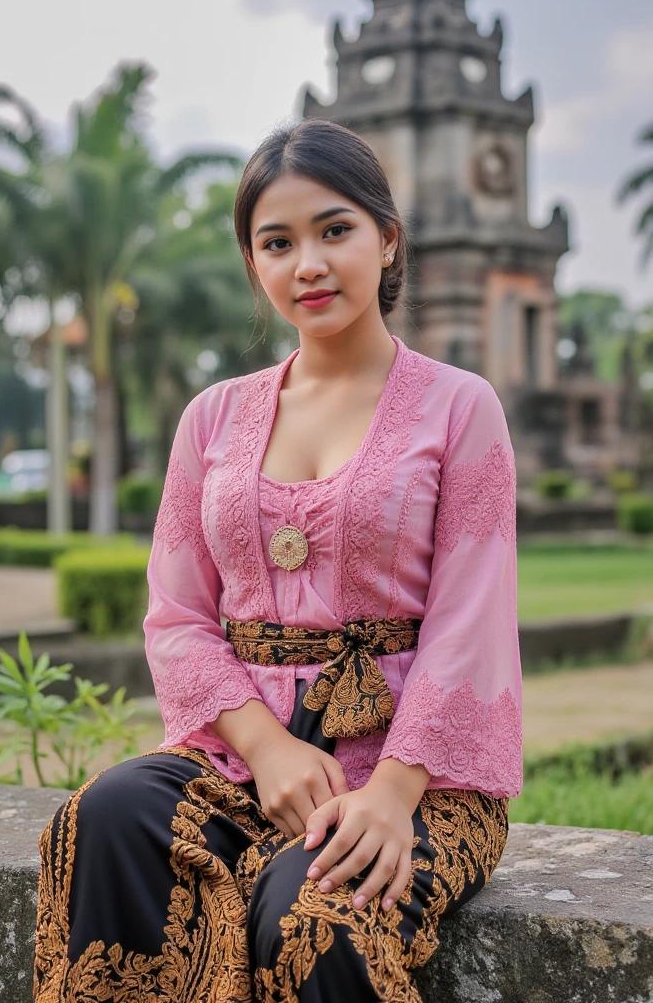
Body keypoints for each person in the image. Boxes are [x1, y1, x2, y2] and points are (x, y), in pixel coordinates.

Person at [33, 118, 522, 1003]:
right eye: (277, 241)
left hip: (416, 775)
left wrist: (392, 795)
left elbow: (470, 623)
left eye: (335, 230)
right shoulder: (212, 418)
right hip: (242, 763)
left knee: (314, 913)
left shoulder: (459, 409)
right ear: (253, 263)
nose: (310, 264)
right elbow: (177, 618)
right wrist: (264, 751)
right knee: (101, 817)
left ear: (387, 236)